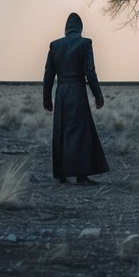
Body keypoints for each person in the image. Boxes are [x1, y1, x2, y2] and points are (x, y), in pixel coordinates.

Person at [42, 12, 109, 184]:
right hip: (77, 91)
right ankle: (81, 174)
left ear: (66, 28)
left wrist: (47, 98)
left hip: (61, 92)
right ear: (80, 28)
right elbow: (90, 72)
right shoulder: (85, 43)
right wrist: (98, 94)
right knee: (80, 132)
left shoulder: (55, 45)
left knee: (61, 131)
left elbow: (49, 74)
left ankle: (62, 175)